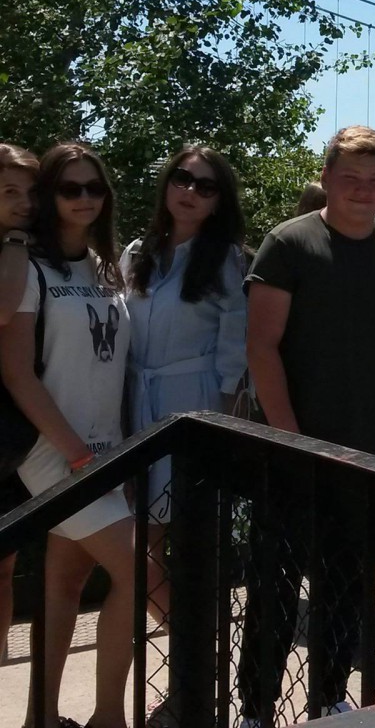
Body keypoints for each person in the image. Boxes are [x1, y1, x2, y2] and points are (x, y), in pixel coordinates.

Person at [237, 126, 375, 724]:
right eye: (351, 178)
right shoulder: (288, 243)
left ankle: (328, 696)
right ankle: (256, 708)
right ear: (326, 178)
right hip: (288, 450)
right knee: (273, 587)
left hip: (366, 448)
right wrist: (289, 437)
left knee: (349, 585)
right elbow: (262, 347)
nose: (364, 190)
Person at [0, 143, 156, 728]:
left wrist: (117, 454)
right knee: (141, 574)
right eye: (70, 188)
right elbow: (16, 372)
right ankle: (109, 718)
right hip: (55, 453)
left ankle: (41, 718)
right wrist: (75, 454)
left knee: (66, 585)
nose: (85, 198)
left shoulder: (106, 267)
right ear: (49, 196)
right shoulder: (28, 266)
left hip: (107, 450)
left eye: (95, 187)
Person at [122, 147, 246, 638]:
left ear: (219, 201)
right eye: (182, 178)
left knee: (195, 539)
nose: (190, 191)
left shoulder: (225, 259)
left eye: (206, 186)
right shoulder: (138, 253)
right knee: (138, 544)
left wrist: (225, 423)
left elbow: (235, 345)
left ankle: (198, 648)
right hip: (137, 404)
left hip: (197, 405)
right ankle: (192, 642)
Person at [0, 143, 37, 665]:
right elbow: (5, 308)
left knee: (4, 568)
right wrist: (15, 240)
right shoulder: (17, 248)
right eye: (10, 191)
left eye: (32, 192)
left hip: (12, 442)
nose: (25, 203)